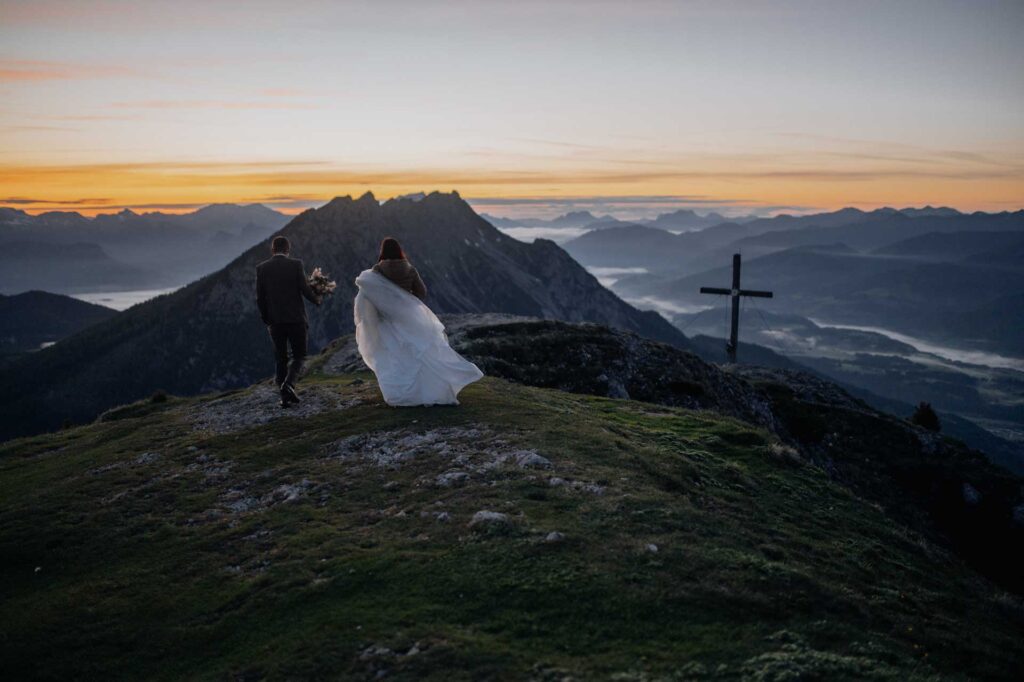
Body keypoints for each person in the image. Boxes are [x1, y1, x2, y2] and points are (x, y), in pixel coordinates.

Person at [354, 237, 482, 406]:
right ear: (399, 250)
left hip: (387, 321)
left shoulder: (377, 271)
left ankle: (400, 393)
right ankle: (427, 391)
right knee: (418, 354)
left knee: (395, 357)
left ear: (383, 252)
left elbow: (369, 295)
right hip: (408, 318)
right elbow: (421, 292)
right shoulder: (409, 269)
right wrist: (408, 300)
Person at [255, 235, 321, 407]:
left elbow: (260, 298)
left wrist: (266, 318)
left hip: (275, 322)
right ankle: (288, 385)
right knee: (299, 356)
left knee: (281, 358)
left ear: (272, 250)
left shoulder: (261, 268)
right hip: (296, 319)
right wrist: (316, 300)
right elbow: (304, 289)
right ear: (287, 249)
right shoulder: (296, 264)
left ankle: (284, 397)